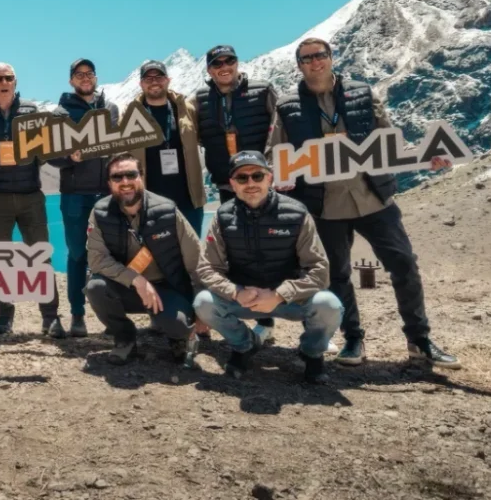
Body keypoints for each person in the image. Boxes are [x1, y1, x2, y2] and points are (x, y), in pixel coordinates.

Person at [268, 38, 459, 368]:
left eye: (321, 55)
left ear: (331, 58)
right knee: (337, 275)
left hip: (374, 197)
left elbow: (389, 141)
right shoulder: (287, 106)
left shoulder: (363, 93)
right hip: (324, 205)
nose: (315, 62)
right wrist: (279, 177)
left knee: (403, 264)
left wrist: (427, 159)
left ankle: (419, 340)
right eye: (307, 58)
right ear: (299, 64)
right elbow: (277, 153)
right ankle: (353, 340)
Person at [193, 151, 343, 384]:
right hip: (244, 297)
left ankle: (311, 353)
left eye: (257, 175)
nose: (250, 183)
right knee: (204, 302)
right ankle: (245, 345)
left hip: (288, 300)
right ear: (232, 184)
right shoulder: (222, 217)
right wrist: (235, 292)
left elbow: (320, 270)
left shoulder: (296, 213)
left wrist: (280, 294)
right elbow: (207, 268)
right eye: (242, 178)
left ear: (269, 178)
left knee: (329, 305)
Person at [190, 45, 279, 344]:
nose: (224, 66)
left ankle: (305, 317)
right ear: (209, 69)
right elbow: (199, 137)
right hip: (228, 187)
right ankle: (261, 320)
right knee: (240, 253)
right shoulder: (201, 100)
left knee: (276, 250)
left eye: (229, 61)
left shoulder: (263, 90)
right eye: (217, 63)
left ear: (238, 63)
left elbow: (279, 130)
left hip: (263, 186)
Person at [0, 63, 64, 337]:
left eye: (8, 77)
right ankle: (4, 319)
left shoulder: (33, 114)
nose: (3, 82)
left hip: (31, 197)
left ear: (15, 81)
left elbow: (45, 152)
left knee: (40, 257)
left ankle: (50, 317)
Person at [84, 153, 204, 365]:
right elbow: (97, 260)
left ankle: (178, 339)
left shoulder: (167, 210)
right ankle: (124, 339)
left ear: (141, 176)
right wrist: (137, 280)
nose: (125, 182)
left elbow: (196, 260)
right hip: (128, 287)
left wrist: (201, 308)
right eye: (117, 177)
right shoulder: (100, 212)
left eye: (131, 174)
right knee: (95, 288)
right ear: (109, 183)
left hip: (168, 287)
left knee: (177, 324)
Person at [48, 59, 120, 338]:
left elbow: (119, 144)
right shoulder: (59, 114)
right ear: (71, 80)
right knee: (78, 254)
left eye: (89, 74)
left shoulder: (110, 109)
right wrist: (69, 157)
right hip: (75, 195)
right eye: (80, 75)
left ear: (96, 77)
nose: (85, 79)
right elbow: (50, 156)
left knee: (111, 254)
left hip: (107, 193)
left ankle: (112, 316)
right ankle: (77, 315)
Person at [133, 61, 207, 236]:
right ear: (141, 83)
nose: (154, 81)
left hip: (189, 200)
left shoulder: (186, 108)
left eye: (159, 76)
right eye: (148, 78)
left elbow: (206, 137)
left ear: (168, 80)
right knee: (157, 257)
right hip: (150, 202)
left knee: (192, 255)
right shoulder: (130, 114)